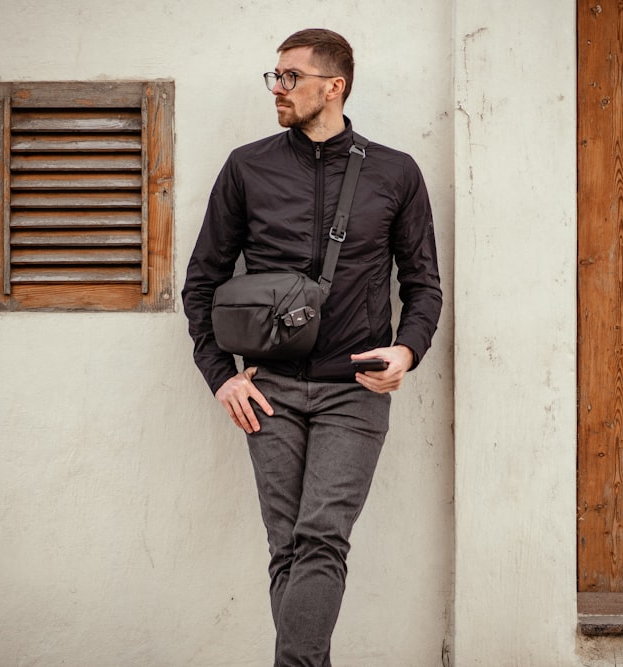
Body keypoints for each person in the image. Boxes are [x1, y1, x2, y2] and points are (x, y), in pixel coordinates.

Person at [182, 28, 441, 667]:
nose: (278, 88)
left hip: (355, 387)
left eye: (291, 77)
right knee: (288, 547)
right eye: (274, 77)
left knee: (322, 537)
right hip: (266, 390)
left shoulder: (396, 172)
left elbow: (423, 283)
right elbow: (202, 283)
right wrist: (223, 376)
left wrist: (406, 352)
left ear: (335, 86)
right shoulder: (248, 166)